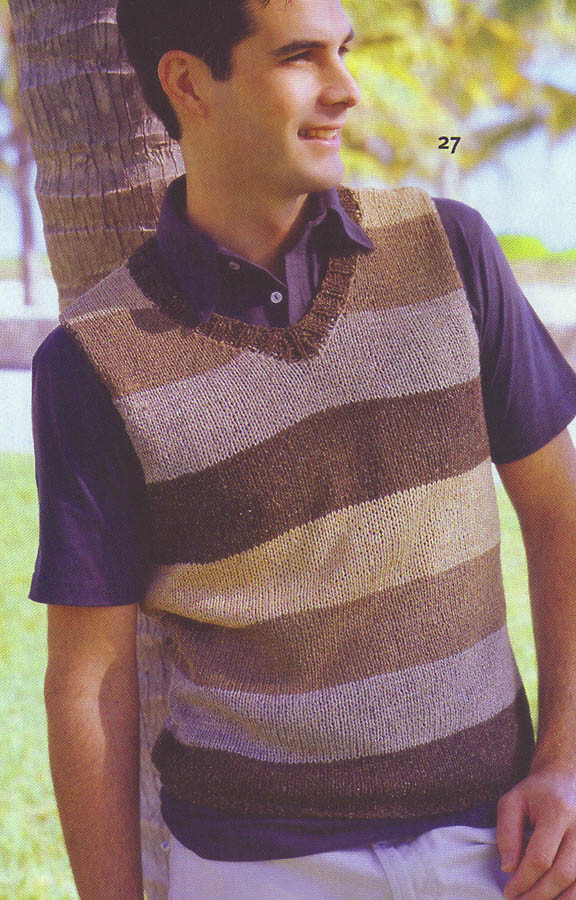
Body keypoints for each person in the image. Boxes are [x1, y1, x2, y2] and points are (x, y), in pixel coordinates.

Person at [30, 0, 576, 897]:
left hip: (501, 849)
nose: (347, 89)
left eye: (345, 51)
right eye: (300, 57)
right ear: (187, 83)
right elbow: (89, 681)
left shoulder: (448, 250)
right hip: (259, 869)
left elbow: (561, 515)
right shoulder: (94, 360)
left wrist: (565, 762)